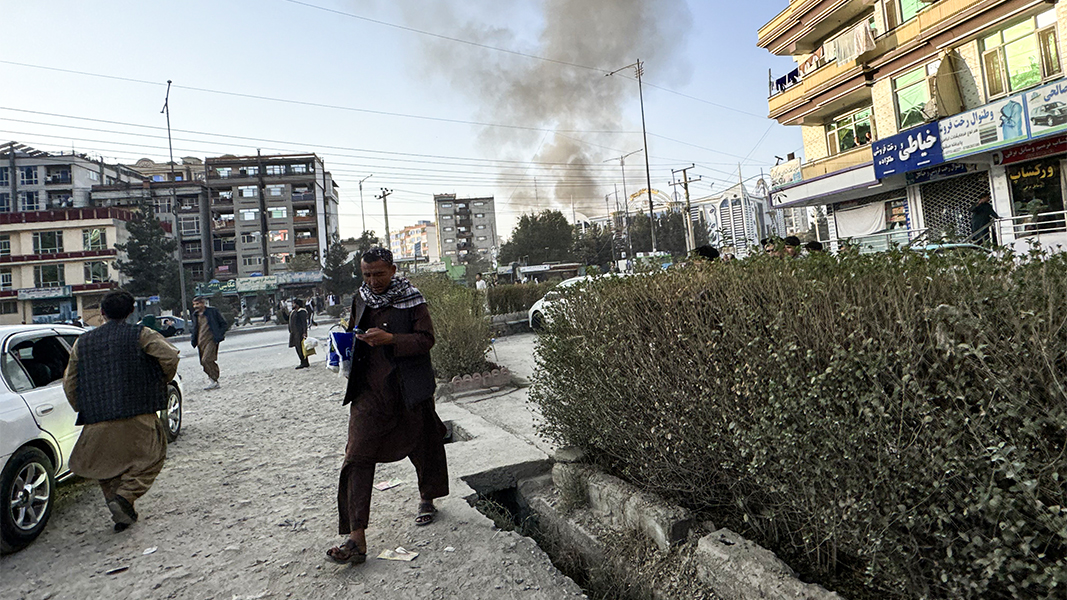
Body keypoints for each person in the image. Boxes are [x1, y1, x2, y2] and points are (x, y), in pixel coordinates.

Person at [328, 247, 448, 565]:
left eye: (379, 274)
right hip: (369, 391)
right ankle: (356, 539)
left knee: (424, 443)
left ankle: (427, 498)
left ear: (393, 270)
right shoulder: (361, 297)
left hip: (409, 388)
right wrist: (346, 343)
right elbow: (353, 329)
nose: (373, 280)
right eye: (367, 274)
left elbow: (426, 339)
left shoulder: (413, 298)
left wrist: (392, 338)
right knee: (356, 456)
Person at [62, 290, 180, 532]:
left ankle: (119, 509)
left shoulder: (81, 342)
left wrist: (83, 406)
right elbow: (170, 356)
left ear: (102, 313)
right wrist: (160, 380)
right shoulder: (141, 334)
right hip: (138, 411)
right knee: (152, 456)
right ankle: (125, 497)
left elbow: (70, 382)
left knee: (105, 466)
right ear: (130, 312)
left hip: (97, 418)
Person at [191, 296, 228, 390]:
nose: (196, 306)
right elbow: (195, 329)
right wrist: (193, 340)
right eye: (194, 304)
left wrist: (219, 335)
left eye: (198, 304)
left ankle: (215, 379)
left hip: (211, 340)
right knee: (203, 363)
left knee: (206, 359)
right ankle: (213, 380)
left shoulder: (212, 312)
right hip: (200, 342)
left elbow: (223, 324)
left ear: (203, 303)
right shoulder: (195, 315)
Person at [290, 298, 311, 369]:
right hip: (294, 333)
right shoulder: (294, 312)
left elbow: (304, 323)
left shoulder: (302, 312)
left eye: (294, 303)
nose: (292, 305)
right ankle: (302, 361)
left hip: (300, 333)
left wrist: (304, 332)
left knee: (301, 348)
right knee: (297, 348)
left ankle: (304, 362)